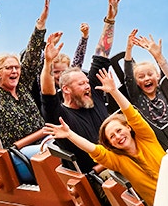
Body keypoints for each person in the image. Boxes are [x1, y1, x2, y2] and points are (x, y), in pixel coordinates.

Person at [44, 68, 165, 205]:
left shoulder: (146, 138)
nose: (118, 137)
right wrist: (70, 134)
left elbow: (132, 115)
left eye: (119, 131)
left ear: (128, 127)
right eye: (112, 137)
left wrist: (114, 91)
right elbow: (95, 150)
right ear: (110, 144)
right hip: (163, 205)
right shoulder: (117, 160)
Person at [0, 0, 52, 181]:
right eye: (9, 68)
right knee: (54, 156)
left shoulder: (23, 88)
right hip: (18, 154)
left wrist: (41, 24)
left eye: (17, 68)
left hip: (44, 142)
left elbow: (33, 58)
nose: (14, 71)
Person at [38, 27, 113, 172]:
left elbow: (101, 57)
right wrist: (48, 63)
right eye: (81, 84)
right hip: (100, 174)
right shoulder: (60, 116)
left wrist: (110, 20)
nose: (87, 86)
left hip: (122, 159)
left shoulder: (94, 96)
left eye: (87, 82)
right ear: (66, 89)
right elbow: (47, 94)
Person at [117, 28, 168, 148]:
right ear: (137, 82)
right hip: (161, 140)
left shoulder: (163, 88)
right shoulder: (137, 97)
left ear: (157, 76)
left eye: (150, 74)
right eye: (141, 77)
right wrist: (129, 49)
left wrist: (156, 54)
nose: (146, 78)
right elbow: (128, 78)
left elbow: (166, 70)